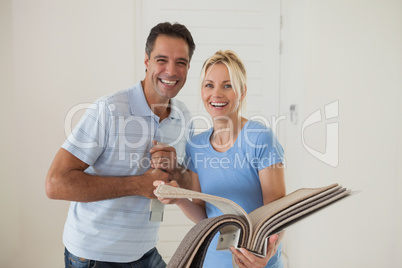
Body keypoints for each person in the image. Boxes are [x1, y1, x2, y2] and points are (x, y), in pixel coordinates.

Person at [45, 22, 195, 267]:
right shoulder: (110, 109)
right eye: (161, 60)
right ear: (146, 61)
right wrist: (138, 184)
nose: (171, 71)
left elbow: (189, 181)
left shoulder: (184, 117)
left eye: (181, 62)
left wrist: (177, 171)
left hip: (144, 251)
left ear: (188, 67)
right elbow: (55, 183)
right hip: (95, 256)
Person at [154, 50, 286, 268]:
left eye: (227, 85)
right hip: (212, 261)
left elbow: (279, 214)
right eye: (209, 85)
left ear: (242, 91)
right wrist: (178, 198)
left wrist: (267, 253)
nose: (216, 94)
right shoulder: (195, 146)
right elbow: (204, 216)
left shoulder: (261, 138)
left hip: (257, 262)